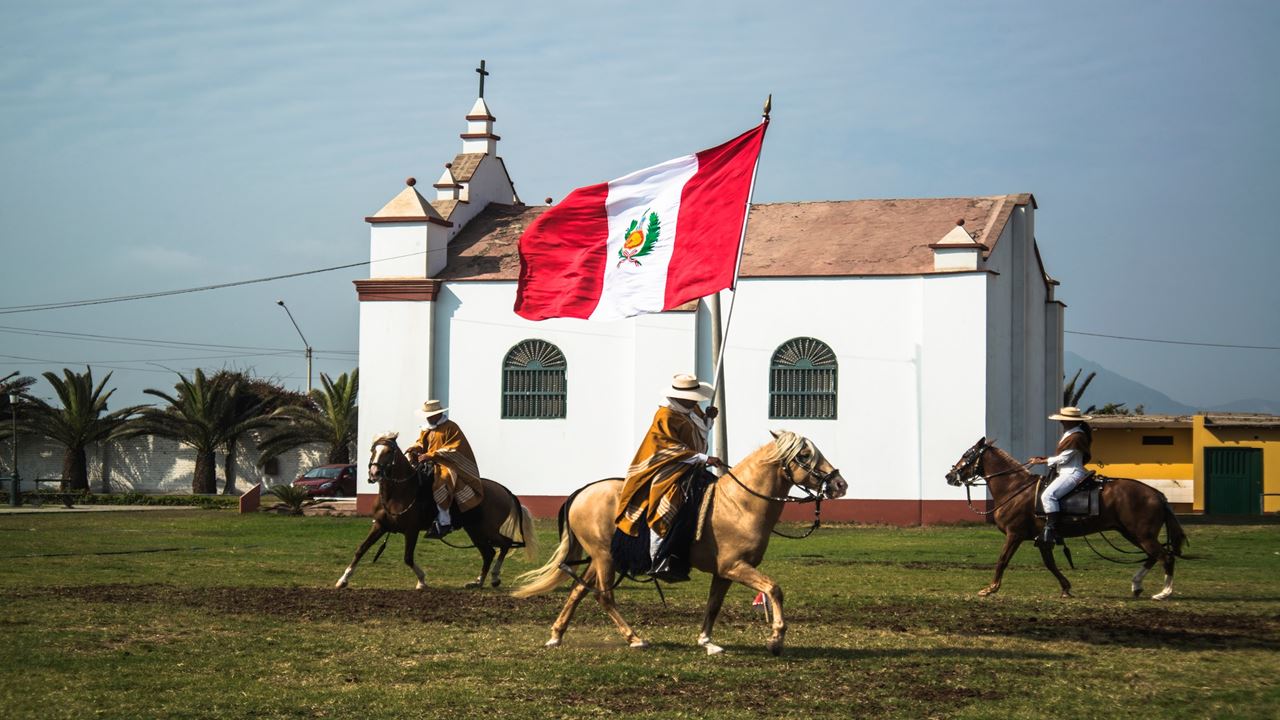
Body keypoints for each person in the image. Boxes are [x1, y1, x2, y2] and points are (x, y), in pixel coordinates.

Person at [615, 373, 723, 581]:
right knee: (668, 500)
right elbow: (668, 446)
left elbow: (697, 435)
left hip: (690, 466)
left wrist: (707, 419)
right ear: (678, 397)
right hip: (665, 466)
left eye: (696, 398)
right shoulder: (665, 415)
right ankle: (658, 557)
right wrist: (704, 457)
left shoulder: (692, 410)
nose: (694, 401)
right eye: (691, 398)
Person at [404, 399, 484, 537]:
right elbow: (421, 443)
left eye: (430, 415)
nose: (428, 417)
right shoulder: (426, 429)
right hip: (427, 464)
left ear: (437, 414)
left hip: (447, 465)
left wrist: (431, 455)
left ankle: (444, 520)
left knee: (442, 481)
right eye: (427, 415)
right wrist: (415, 448)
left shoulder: (451, 427)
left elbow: (454, 448)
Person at [1028, 406, 1094, 546]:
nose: (1061, 422)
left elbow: (1064, 459)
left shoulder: (1076, 436)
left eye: (1064, 420)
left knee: (1048, 496)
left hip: (1071, 472)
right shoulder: (1071, 433)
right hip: (1064, 471)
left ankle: (1051, 529)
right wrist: (1045, 459)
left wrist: (1042, 461)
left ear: (1072, 422)